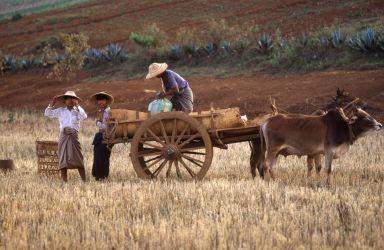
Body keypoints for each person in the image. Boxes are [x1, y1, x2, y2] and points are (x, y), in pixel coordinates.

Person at [44, 91, 87, 182]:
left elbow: (84, 116)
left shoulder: (77, 111)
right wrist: (53, 103)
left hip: (74, 136)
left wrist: (78, 106)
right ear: (65, 101)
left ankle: (84, 181)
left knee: (78, 158)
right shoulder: (61, 111)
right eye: (68, 99)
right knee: (63, 159)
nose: (70, 101)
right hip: (63, 137)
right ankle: (65, 182)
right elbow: (47, 113)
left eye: (73, 99)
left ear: (75, 101)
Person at [90, 92, 114, 181]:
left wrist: (97, 123)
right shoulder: (100, 112)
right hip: (100, 136)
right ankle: (99, 175)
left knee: (103, 156)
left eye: (102, 100)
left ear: (106, 101)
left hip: (106, 136)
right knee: (97, 155)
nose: (100, 102)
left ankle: (102, 175)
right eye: (99, 100)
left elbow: (107, 126)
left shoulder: (109, 112)